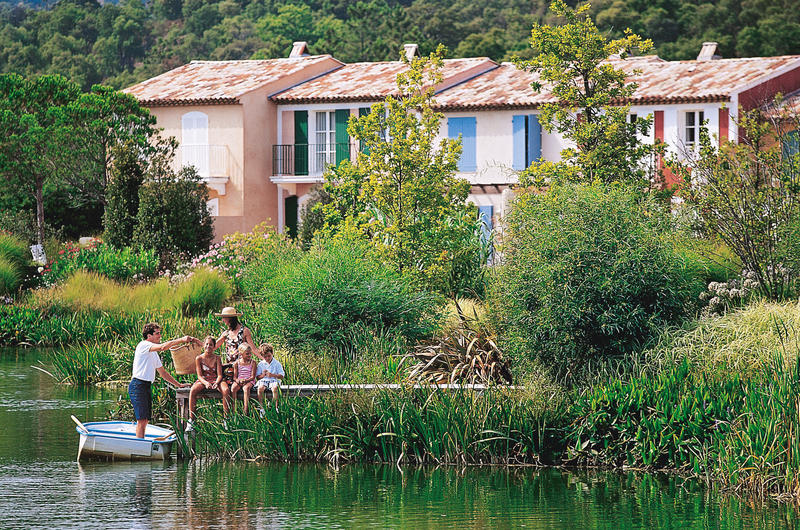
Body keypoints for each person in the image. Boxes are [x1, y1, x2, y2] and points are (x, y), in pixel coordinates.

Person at [129, 322, 198, 438]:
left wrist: (179, 384)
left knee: (145, 420)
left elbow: (163, 373)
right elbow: (163, 347)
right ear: (149, 336)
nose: (160, 336)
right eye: (157, 333)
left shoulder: (153, 352)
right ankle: (140, 445)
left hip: (146, 386)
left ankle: (141, 442)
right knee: (141, 420)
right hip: (138, 385)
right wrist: (181, 340)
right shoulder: (143, 345)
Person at [187, 336, 231, 430]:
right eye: (206, 344)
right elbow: (199, 375)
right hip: (204, 379)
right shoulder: (199, 358)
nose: (208, 346)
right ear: (204, 345)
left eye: (211, 345)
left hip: (216, 379)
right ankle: (191, 420)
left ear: (214, 346)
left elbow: (219, 375)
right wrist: (206, 383)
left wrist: (216, 382)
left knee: (226, 390)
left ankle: (226, 419)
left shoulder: (217, 358)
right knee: (193, 390)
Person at [255, 343, 285, 414]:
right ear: (262, 356)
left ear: (272, 353)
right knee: (260, 388)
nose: (267, 358)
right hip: (264, 380)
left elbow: (282, 376)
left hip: (274, 379)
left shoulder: (276, 363)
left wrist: (272, 375)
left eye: (269, 356)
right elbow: (258, 377)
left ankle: (275, 407)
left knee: (275, 388)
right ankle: (262, 408)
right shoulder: (261, 364)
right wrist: (263, 375)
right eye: (265, 357)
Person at [230, 344, 258, 415]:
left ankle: (246, 410)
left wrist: (246, 381)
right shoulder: (237, 363)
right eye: (247, 354)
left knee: (246, 388)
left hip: (249, 380)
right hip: (240, 380)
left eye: (250, 353)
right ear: (241, 354)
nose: (249, 355)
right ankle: (234, 409)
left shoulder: (253, 362)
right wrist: (238, 381)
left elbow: (253, 376)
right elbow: (235, 377)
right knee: (233, 388)